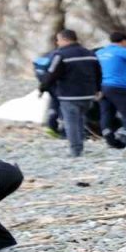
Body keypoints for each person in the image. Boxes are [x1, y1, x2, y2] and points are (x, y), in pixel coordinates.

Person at [39, 29, 102, 157]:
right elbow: (98, 73)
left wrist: (42, 88)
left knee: (71, 123)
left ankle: (76, 151)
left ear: (64, 39)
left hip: (69, 95)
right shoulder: (89, 53)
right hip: (88, 95)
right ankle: (80, 147)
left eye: (58, 39)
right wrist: (98, 89)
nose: (57, 42)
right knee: (80, 120)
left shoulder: (61, 55)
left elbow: (51, 74)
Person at [33, 54, 62, 137]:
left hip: (48, 85)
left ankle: (51, 127)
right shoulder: (60, 55)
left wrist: (42, 88)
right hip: (59, 85)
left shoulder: (44, 56)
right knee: (63, 106)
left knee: (53, 105)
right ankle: (63, 130)